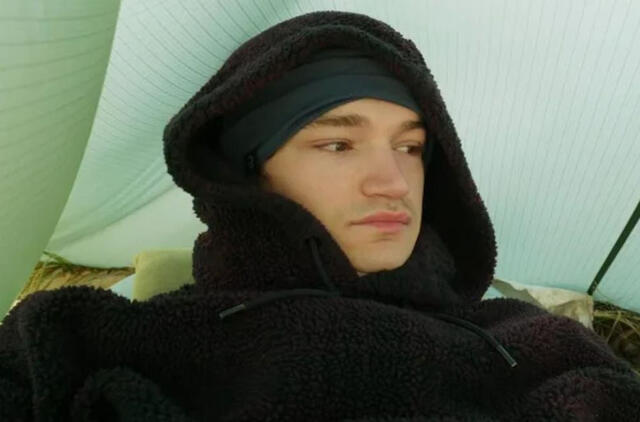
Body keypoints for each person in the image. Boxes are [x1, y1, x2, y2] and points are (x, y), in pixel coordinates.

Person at [1, 9, 639, 421]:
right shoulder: (101, 337)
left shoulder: (535, 344)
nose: (394, 183)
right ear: (249, 172)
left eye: (410, 147)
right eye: (337, 144)